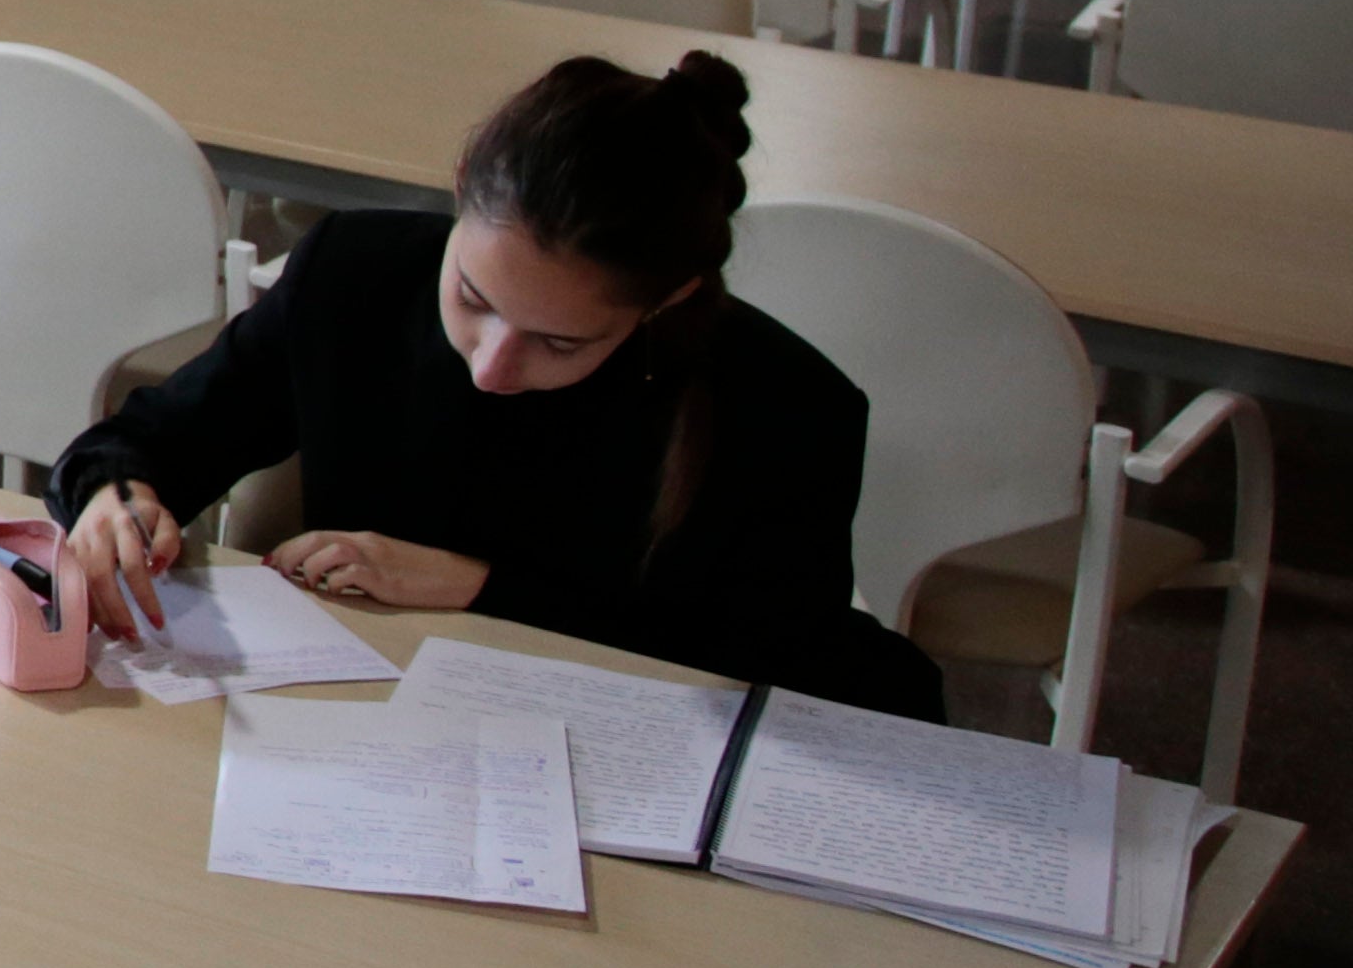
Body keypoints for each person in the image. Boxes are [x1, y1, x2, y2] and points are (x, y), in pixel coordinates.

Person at [50, 50, 941, 716]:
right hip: (350, 733)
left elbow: (768, 661)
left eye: (558, 341)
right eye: (472, 297)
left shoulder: (784, 406)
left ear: (669, 299)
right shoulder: (353, 275)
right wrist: (115, 499)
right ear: (460, 188)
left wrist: (483, 586)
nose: (492, 365)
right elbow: (150, 438)